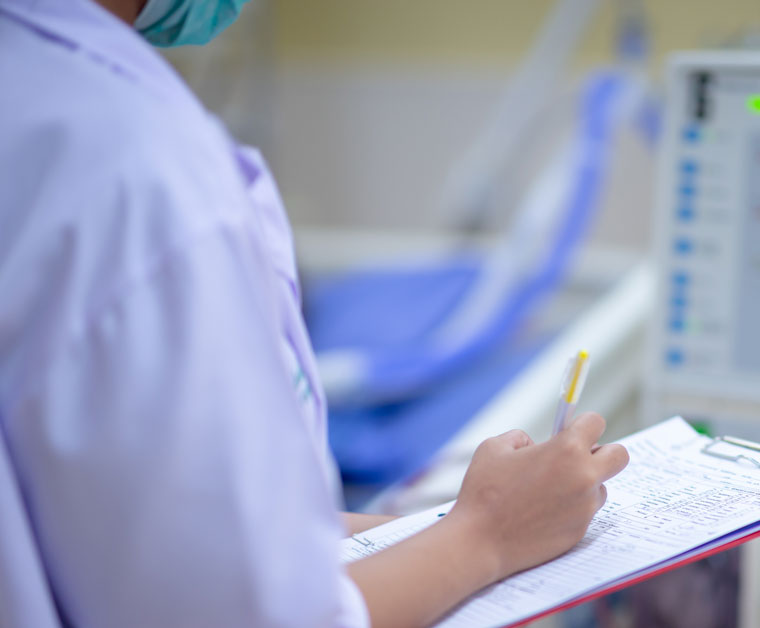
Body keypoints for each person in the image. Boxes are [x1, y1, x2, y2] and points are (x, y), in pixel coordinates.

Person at [0, 0, 630, 626]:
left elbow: (147, 521)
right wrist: (486, 536)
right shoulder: (136, 169)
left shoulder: (38, 101)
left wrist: (453, 524)